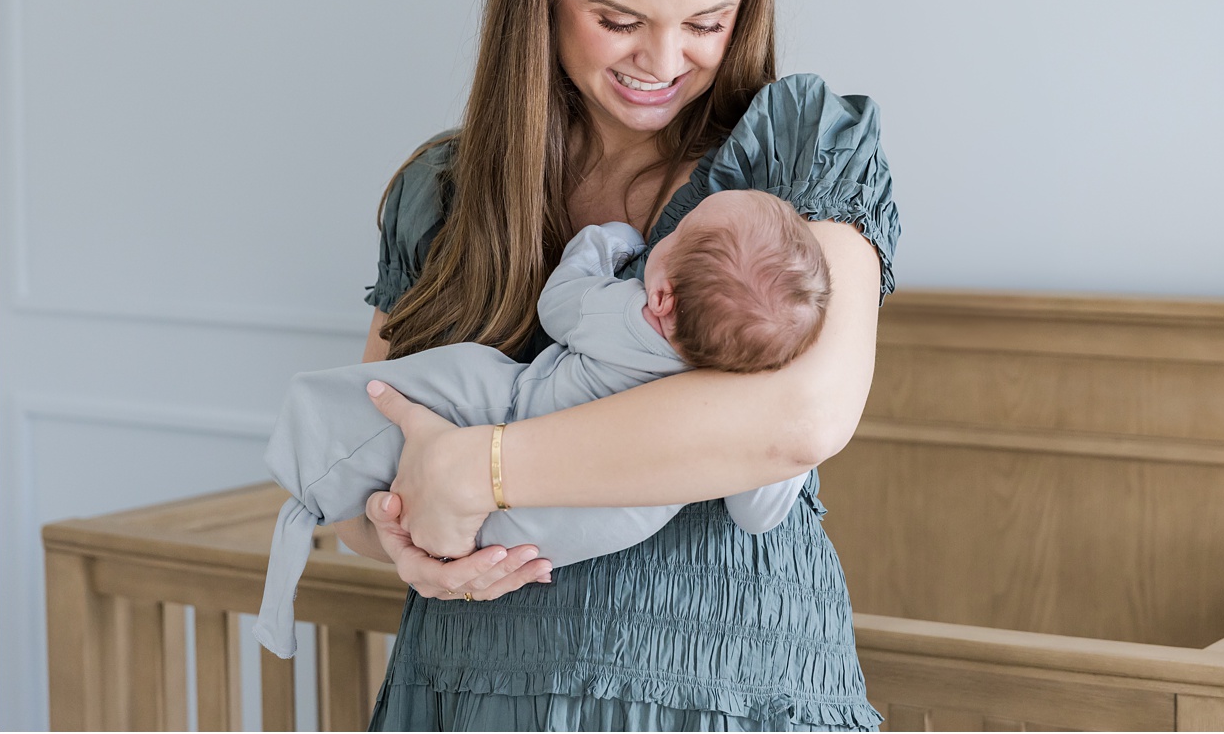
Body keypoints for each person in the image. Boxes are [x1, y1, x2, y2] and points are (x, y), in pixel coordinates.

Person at [337, 0, 898, 732]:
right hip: (479, 685)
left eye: (707, 22)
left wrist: (479, 470)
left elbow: (801, 415)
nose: (663, 60)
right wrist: (396, 538)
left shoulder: (798, 154)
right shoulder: (448, 191)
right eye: (618, 18)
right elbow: (358, 465)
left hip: (728, 685)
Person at [255, 190, 829, 657]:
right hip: (545, 547)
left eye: (675, 235)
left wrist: (603, 244)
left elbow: (560, 303)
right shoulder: (743, 412)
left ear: (662, 296)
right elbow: (757, 513)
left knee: (450, 382)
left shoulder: (630, 318)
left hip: (503, 442)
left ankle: (315, 454)